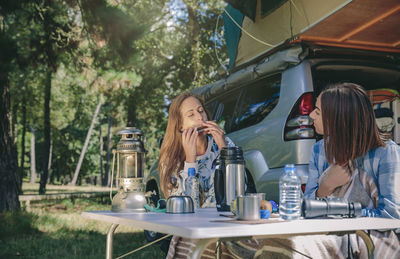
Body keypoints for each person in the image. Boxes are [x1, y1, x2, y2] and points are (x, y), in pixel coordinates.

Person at [302, 82, 400, 257]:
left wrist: (340, 214)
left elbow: (391, 216)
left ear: (338, 118)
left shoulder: (386, 152)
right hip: (329, 233)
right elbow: (305, 207)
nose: (310, 115)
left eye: (317, 112)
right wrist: (325, 186)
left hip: (373, 239)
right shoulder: (318, 150)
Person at [158, 91, 235, 258]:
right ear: (180, 126)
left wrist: (223, 148)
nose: (200, 117)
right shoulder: (170, 158)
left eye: (201, 111)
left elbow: (238, 190)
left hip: (227, 225)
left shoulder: (225, 143)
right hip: (192, 230)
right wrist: (190, 159)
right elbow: (183, 209)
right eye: (191, 115)